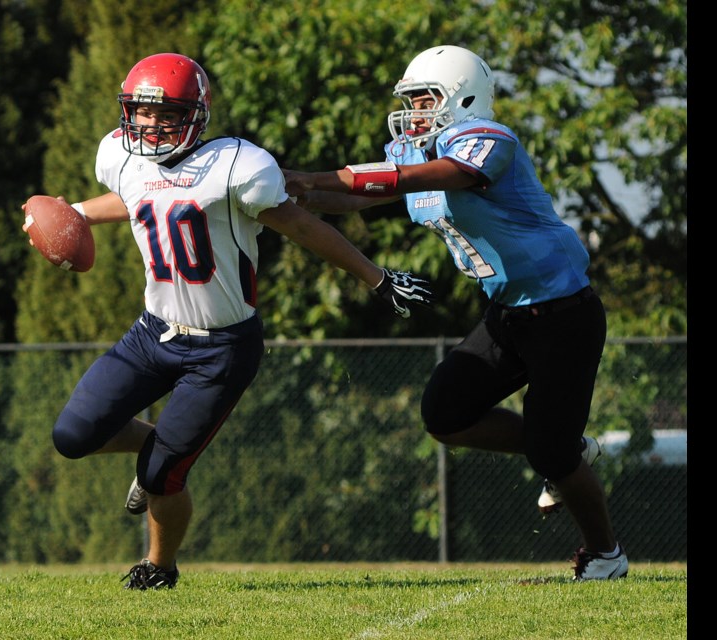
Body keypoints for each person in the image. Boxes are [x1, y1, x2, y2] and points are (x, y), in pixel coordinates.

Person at [22, 53, 432, 590]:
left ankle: (158, 566)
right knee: (72, 435)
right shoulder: (122, 158)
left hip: (222, 347)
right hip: (153, 333)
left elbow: (302, 225)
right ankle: (159, 441)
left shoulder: (238, 165)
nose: (148, 125)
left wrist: (375, 278)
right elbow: (141, 197)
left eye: (164, 113)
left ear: (196, 113)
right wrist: (70, 213)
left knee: (162, 477)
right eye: (140, 113)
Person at [283, 45, 627, 580]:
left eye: (426, 99)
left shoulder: (490, 140)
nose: (415, 111)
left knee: (554, 456)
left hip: (563, 313)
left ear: (464, 96)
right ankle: (565, 447)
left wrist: (315, 175)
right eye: (412, 100)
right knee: (445, 414)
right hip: (508, 312)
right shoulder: (414, 150)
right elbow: (360, 198)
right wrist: (289, 195)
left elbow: (413, 179)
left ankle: (606, 554)